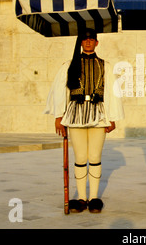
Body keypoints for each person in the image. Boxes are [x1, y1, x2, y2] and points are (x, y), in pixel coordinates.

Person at [44, 28, 124, 213]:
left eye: (91, 39)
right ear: (81, 42)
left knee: (95, 157)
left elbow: (112, 93)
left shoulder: (106, 65)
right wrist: (59, 117)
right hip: (75, 114)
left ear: (97, 43)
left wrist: (112, 118)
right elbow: (60, 91)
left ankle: (94, 198)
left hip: (99, 114)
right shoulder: (69, 65)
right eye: (85, 39)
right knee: (80, 157)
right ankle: (81, 198)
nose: (88, 42)